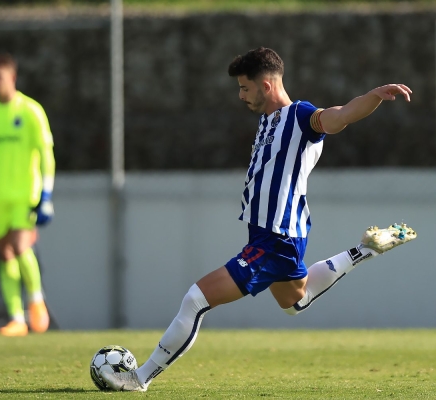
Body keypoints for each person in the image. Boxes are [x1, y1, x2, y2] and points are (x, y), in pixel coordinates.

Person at [100, 47, 417, 391]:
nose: (241, 95)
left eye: (244, 87)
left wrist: (374, 96)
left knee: (196, 299)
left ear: (266, 85)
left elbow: (341, 115)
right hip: (270, 236)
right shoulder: (268, 121)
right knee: (295, 302)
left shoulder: (301, 117)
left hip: (276, 237)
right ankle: (365, 249)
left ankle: (139, 378)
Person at [0, 53, 55, 337]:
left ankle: (36, 300)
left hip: (24, 194)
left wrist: (46, 195)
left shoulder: (31, 111)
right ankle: (17, 318)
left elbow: (46, 155)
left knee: (20, 246)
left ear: (13, 77)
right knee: (4, 253)